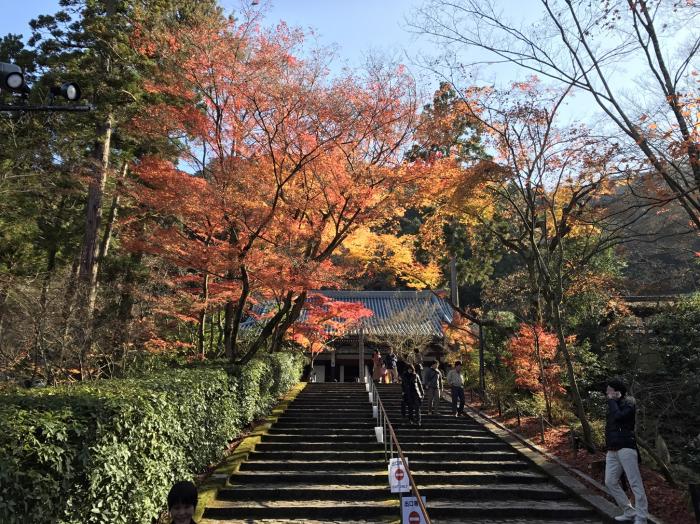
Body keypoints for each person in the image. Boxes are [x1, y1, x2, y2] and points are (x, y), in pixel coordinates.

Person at [604, 378, 648, 524]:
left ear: (617, 391)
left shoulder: (629, 402)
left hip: (627, 448)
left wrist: (612, 401)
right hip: (612, 449)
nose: (607, 393)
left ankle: (641, 517)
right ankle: (629, 511)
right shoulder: (614, 404)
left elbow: (619, 417)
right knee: (610, 481)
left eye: (609, 390)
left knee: (635, 483)